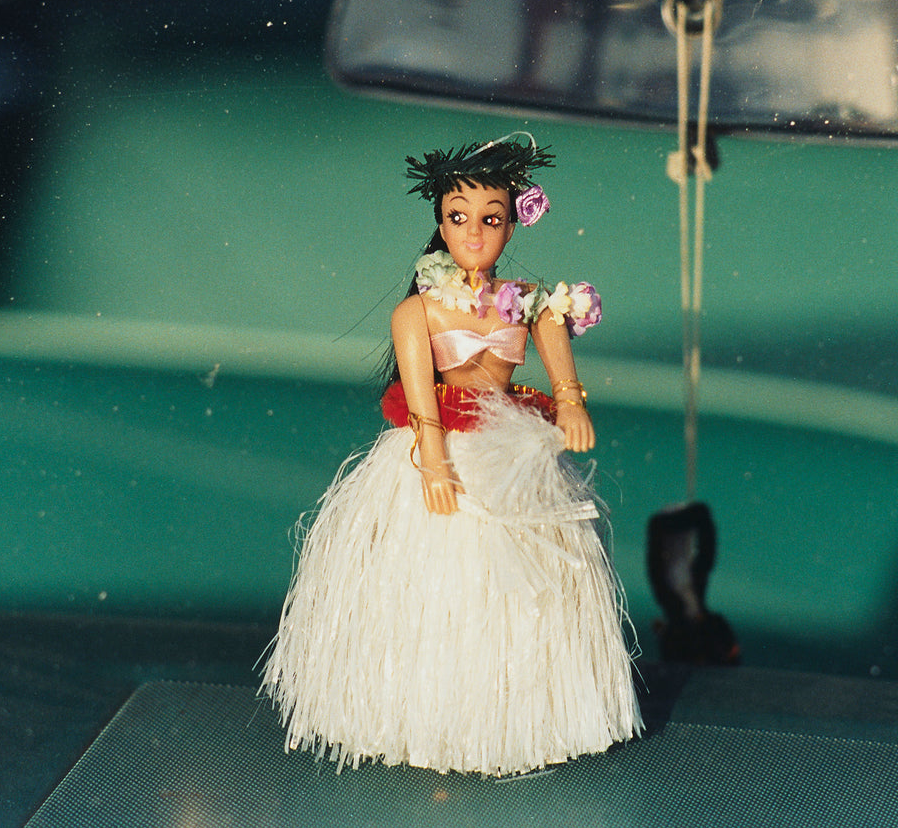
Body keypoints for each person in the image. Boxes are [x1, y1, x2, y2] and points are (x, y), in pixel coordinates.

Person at [260, 136, 642, 776]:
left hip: (512, 454)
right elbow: (419, 399)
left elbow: (561, 374)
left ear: (513, 222)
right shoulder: (418, 312)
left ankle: (521, 718)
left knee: (525, 593)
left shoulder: (533, 303)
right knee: (438, 584)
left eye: (491, 219)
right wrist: (433, 462)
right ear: (439, 224)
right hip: (440, 455)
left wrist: (572, 402)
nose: (474, 234)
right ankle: (424, 716)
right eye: (459, 218)